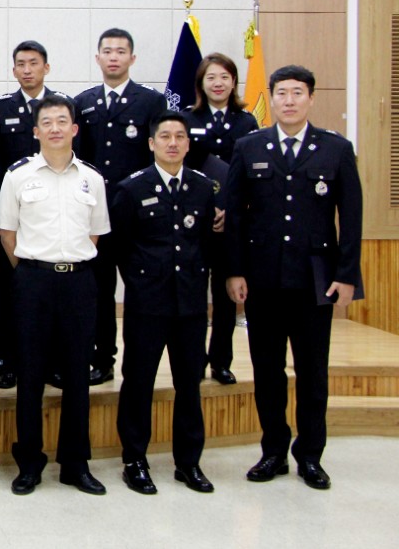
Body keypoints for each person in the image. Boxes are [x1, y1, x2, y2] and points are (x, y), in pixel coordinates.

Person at [225, 65, 363, 491]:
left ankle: (310, 455)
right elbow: (234, 216)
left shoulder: (336, 149)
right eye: (281, 92)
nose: (289, 100)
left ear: (311, 98)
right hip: (262, 278)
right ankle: (273, 451)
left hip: (314, 280)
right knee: (267, 370)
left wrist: (346, 275)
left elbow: (351, 216)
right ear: (271, 97)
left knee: (312, 372)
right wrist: (234, 270)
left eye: (297, 92)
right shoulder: (249, 146)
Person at [0, 94, 110, 496]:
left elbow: (94, 235)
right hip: (33, 281)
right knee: (30, 374)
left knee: (78, 374)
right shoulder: (18, 176)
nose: (56, 128)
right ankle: (29, 462)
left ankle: (75, 464)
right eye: (47, 122)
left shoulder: (92, 179)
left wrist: (66, 265)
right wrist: (35, 271)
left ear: (74, 128)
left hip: (79, 282)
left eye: (63, 121)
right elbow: (7, 234)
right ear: (36, 131)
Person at [110, 112, 217, 496]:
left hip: (190, 303)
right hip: (147, 303)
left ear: (188, 144)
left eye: (180, 136)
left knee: (189, 383)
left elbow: (207, 243)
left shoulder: (203, 188)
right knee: (139, 381)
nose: (173, 143)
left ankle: (188, 462)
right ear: (151, 143)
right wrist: (141, 281)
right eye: (165, 136)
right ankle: (134, 460)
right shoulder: (132, 188)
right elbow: (119, 247)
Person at [74, 28, 166, 385]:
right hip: (94, 216)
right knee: (98, 291)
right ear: (97, 58)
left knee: (141, 292)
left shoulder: (151, 102)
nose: (114, 57)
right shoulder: (83, 102)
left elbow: (157, 157)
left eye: (121, 51)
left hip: (137, 217)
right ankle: (103, 358)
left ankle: (140, 362)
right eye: (108, 51)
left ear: (132, 58)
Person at [0, 41, 60, 390]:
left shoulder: (61, 107)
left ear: (46, 67)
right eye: (21, 64)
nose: (27, 70)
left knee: (48, 292)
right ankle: (6, 357)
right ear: (13, 70)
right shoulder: (0, 109)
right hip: (10, 218)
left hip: (50, 216)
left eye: (34, 63)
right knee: (7, 289)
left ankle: (50, 361)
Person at [184, 52, 258, 385]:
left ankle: (221, 361)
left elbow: (251, 174)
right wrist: (205, 209)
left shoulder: (247, 122)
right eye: (211, 77)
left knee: (227, 295)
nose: (218, 83)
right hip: (195, 223)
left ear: (234, 82)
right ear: (201, 82)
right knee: (195, 295)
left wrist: (230, 209)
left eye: (224, 77)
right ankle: (194, 358)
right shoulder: (187, 119)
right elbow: (181, 169)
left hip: (233, 223)